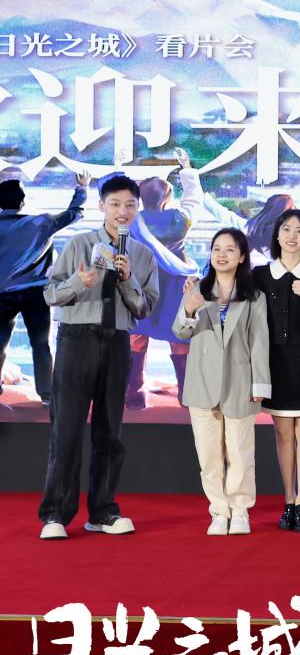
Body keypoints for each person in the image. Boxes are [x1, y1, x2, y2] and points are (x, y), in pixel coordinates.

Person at [37, 174, 160, 540]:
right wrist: (80, 283)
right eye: (115, 204)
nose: (123, 212)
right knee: (67, 429)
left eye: (130, 205)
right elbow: (49, 295)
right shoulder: (78, 243)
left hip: (117, 341)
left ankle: (103, 512)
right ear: (102, 206)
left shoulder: (142, 255)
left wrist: (127, 278)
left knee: (109, 431)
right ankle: (56, 515)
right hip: (77, 339)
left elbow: (145, 309)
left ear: (137, 209)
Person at [173, 228, 270, 536]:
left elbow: (259, 342)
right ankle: (218, 510)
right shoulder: (197, 290)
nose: (222, 254)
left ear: (242, 256)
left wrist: (260, 384)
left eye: (230, 249)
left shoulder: (254, 296)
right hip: (202, 382)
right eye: (217, 248)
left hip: (240, 383)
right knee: (209, 456)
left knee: (241, 453)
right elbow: (180, 332)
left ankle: (240, 510)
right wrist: (189, 307)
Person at [253, 209, 300, 533]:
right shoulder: (260, 275)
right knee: (283, 433)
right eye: (286, 229)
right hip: (275, 363)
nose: (292, 236)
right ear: (277, 234)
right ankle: (288, 500)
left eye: (299, 231)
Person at [0, 170, 87, 405]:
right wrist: (82, 188)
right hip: (36, 294)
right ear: (23, 201)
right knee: (41, 344)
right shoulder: (42, 223)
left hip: (2, 294)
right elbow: (75, 213)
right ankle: (47, 393)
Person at [126, 148, 203, 409]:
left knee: (137, 336)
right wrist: (187, 168)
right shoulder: (180, 219)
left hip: (143, 283)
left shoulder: (133, 222)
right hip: (175, 284)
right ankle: (186, 394)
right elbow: (194, 199)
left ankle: (135, 394)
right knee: (179, 337)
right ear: (167, 198)